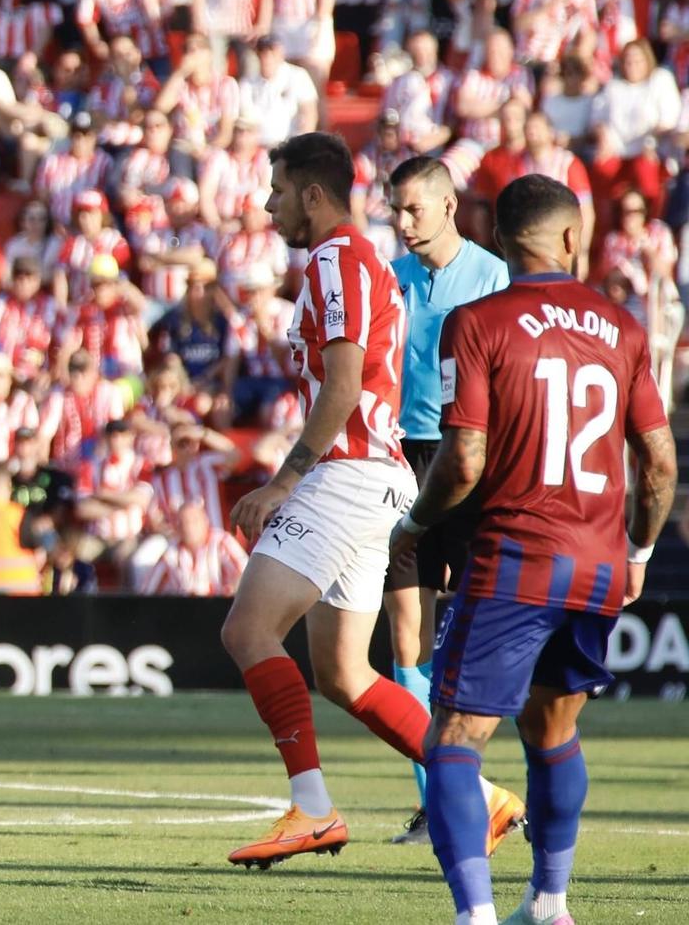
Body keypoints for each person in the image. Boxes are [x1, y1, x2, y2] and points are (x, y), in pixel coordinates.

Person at [222, 133, 521, 868]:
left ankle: (314, 810)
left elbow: (345, 385)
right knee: (346, 674)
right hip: (381, 479)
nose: (270, 204)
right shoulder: (371, 267)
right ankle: (480, 798)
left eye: (279, 189)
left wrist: (284, 480)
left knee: (247, 631)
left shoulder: (336, 259)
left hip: (348, 475)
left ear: (314, 195)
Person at [387, 174, 675, 925]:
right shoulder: (625, 327)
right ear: (572, 239)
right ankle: (549, 902)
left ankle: (474, 916)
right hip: (600, 559)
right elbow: (661, 463)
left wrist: (415, 526)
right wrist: (640, 553)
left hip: (516, 555)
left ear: (501, 240)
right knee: (553, 728)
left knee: (453, 735)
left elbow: (464, 459)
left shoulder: (478, 322)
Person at [383, 156, 510, 845]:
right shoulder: (388, 280)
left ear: (447, 205)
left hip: (469, 460)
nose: (402, 223)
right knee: (408, 640)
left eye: (412, 209)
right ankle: (441, 802)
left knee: (466, 640)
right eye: (394, 210)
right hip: (400, 459)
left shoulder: (492, 277)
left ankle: (470, 792)